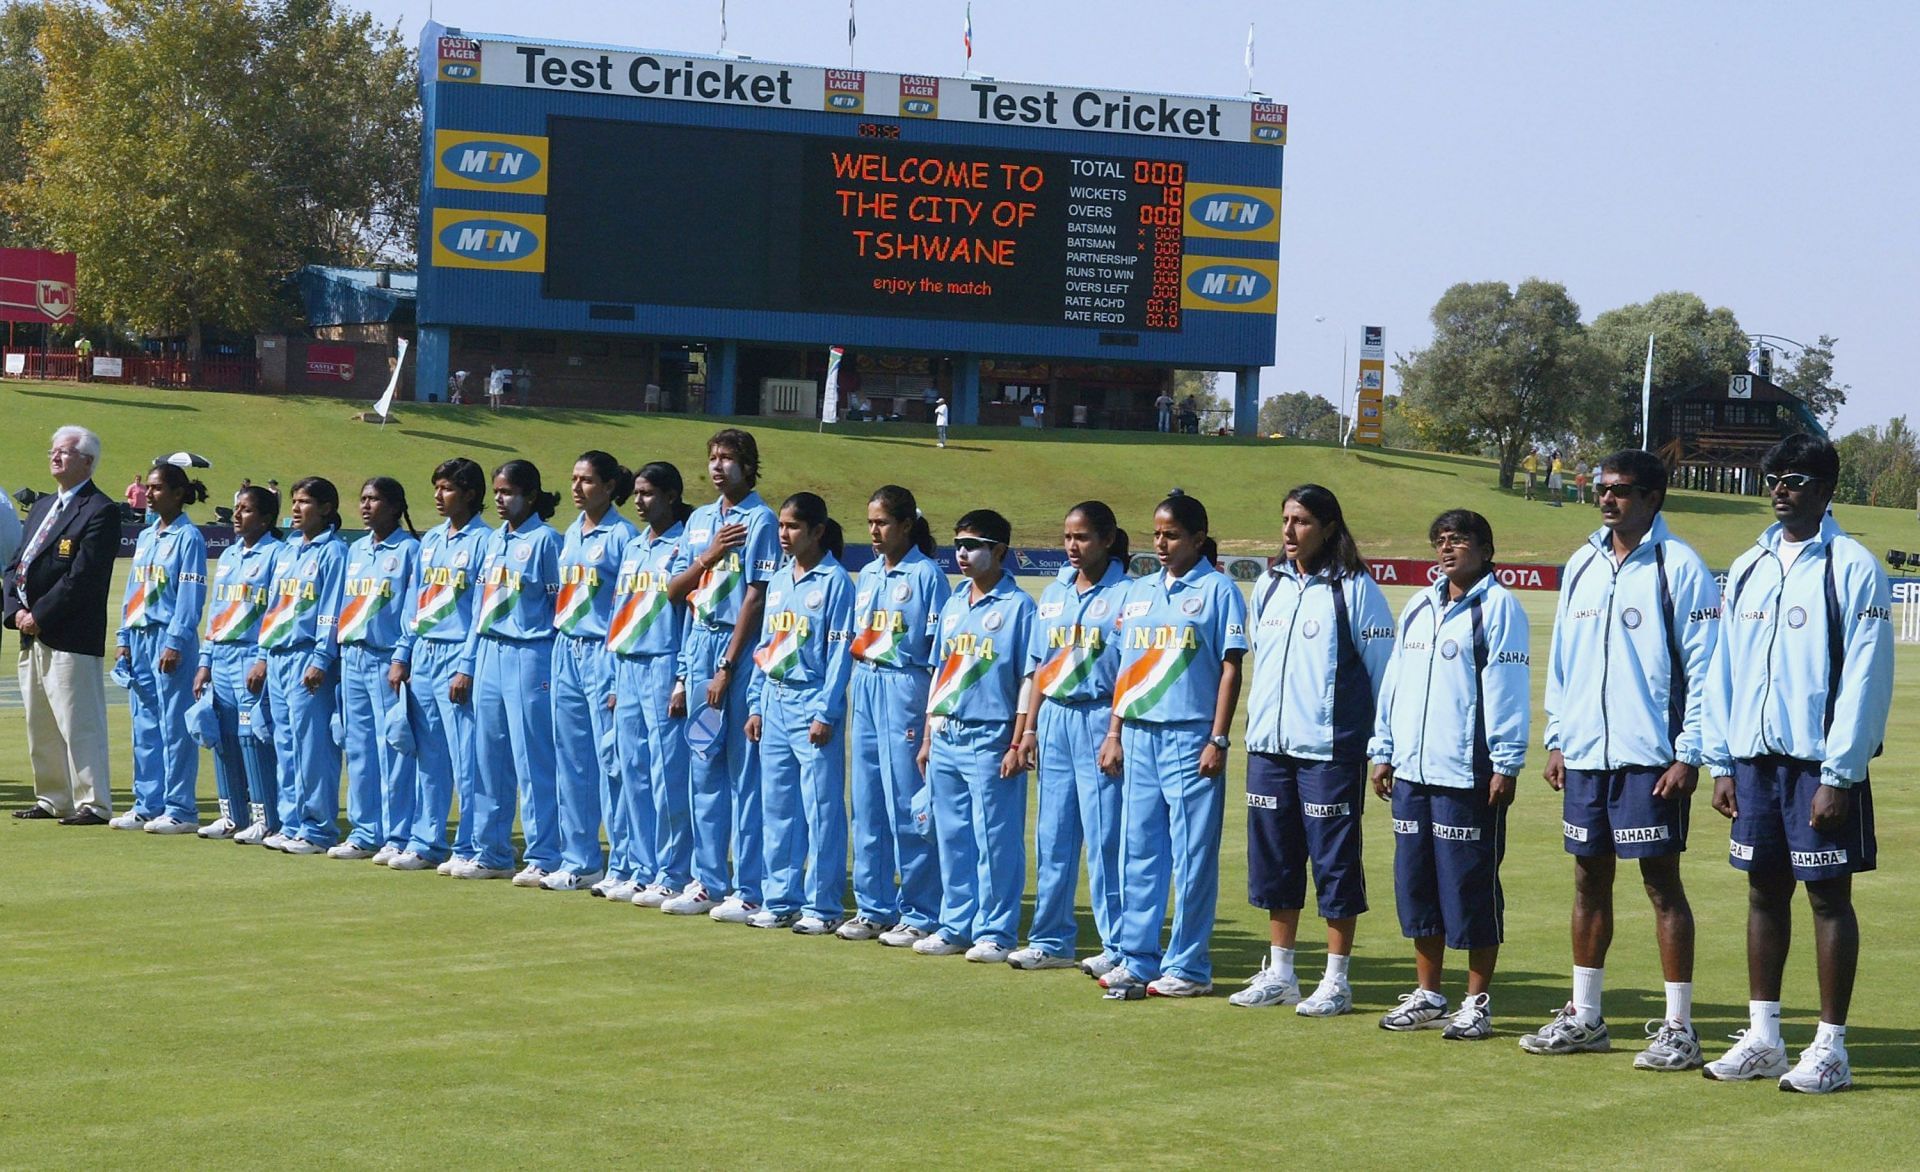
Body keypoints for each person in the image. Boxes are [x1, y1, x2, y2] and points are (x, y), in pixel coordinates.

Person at [1702, 435, 1893, 1094]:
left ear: (1823, 487)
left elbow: (1866, 677)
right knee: (1762, 891)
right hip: (1753, 761)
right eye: (1771, 477)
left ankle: (1832, 1048)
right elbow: (1721, 668)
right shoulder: (1748, 565)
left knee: (1828, 898)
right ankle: (1764, 1038)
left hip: (1819, 764)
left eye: (1793, 478)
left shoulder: (1853, 565)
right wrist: (1720, 758)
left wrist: (1840, 773)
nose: (1779, 488)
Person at [1522, 449, 1720, 1069]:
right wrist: (1558, 737)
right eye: (1602, 490)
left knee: (1661, 885)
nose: (1608, 499)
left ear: (1653, 498)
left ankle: (1679, 1028)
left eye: (1623, 491)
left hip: (1650, 760)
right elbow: (1563, 661)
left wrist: (1689, 754)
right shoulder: (1581, 563)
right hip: (1585, 756)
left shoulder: (1680, 567)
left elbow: (1707, 670)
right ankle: (1586, 1016)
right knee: (1587, 879)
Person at [1231, 485, 1395, 1015]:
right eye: (1285, 519)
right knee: (1274, 862)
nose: (1289, 530)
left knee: (1333, 864)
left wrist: (1381, 748)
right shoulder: (1270, 586)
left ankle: (1336, 981)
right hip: (1269, 751)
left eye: (1301, 521)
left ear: (1327, 527)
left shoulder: (1356, 588)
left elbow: (1384, 675)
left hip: (1330, 751)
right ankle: (1280, 973)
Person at [1368, 509, 1530, 1040]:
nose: (1446, 549)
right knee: (1417, 887)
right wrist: (1383, 749)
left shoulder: (1499, 608)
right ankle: (1429, 993)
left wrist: (1505, 762)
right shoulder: (1419, 603)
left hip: (1468, 773)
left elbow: (1506, 690)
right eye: (1440, 540)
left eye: (1458, 540)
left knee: (1470, 888)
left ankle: (1476, 1001)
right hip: (1413, 771)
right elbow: (1393, 682)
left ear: (1485, 549)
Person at [1096, 491, 1248, 999]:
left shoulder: (1219, 590)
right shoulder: (1137, 592)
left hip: (1190, 736)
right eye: (1157, 534)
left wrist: (1218, 737)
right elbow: (1125, 669)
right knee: (1138, 851)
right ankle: (1137, 957)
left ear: (1198, 538)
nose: (1161, 543)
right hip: (1137, 734)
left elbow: (1231, 668)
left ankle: (1188, 965)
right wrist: (1114, 731)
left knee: (1191, 854)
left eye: (1173, 534)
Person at [661, 429, 780, 921]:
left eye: (728, 458)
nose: (717, 466)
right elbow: (675, 591)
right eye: (712, 457)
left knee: (744, 774)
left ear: (749, 466)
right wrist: (708, 555)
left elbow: (756, 596)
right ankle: (708, 881)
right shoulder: (701, 521)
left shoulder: (762, 520)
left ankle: (749, 887)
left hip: (740, 648)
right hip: (699, 639)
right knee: (703, 766)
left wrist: (728, 667)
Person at [1011, 501, 1131, 973]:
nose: (1072, 547)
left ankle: (1118, 946)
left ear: (1106, 539)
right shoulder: (1055, 592)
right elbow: (1040, 666)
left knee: (1105, 839)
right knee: (1053, 836)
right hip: (1056, 719)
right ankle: (1051, 939)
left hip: (1099, 717)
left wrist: (1115, 732)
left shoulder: (1127, 593)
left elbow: (1128, 671)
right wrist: (1031, 729)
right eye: (1067, 537)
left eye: (1082, 537)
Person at [914, 509, 1036, 961]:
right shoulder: (952, 602)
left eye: (973, 545)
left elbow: (1030, 677)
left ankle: (996, 931)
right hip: (947, 732)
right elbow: (939, 671)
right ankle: (955, 924)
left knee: (995, 838)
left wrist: (1019, 739)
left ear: (999, 551)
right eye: (958, 544)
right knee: (952, 836)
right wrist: (928, 734)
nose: (962, 554)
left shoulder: (1019, 607)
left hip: (991, 734)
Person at [744, 493, 856, 933]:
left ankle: (822, 906)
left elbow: (839, 653)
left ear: (817, 531)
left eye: (793, 527)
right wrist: (755, 702)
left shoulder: (835, 582)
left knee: (821, 806)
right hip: (774, 699)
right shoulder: (779, 581)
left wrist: (826, 712)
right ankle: (780, 898)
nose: (784, 535)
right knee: (778, 807)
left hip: (811, 701)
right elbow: (766, 647)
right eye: (782, 527)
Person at [845, 485, 949, 945]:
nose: (874, 531)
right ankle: (873, 907)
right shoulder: (866, 574)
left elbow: (938, 654)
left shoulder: (926, 576)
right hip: (865, 682)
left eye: (883, 522)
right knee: (866, 804)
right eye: (870, 522)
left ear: (906, 525)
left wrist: (928, 716)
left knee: (908, 803)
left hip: (906, 684)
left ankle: (922, 910)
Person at [452, 460, 564, 884]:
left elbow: (558, 608)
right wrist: (468, 663)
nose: (500, 499)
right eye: (496, 492)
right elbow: (480, 609)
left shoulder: (546, 541)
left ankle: (544, 853)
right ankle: (492, 851)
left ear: (530, 496)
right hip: (489, 651)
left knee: (531, 757)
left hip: (530, 651)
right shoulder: (493, 541)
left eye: (508, 492)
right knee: (488, 756)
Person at [6, 425, 121, 824]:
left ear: (87, 461)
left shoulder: (100, 510)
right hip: (30, 632)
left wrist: (40, 615)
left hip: (70, 633)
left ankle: (92, 802)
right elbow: (15, 565)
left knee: (79, 722)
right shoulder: (40, 507)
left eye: (66, 452)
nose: (55, 456)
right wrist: (13, 612)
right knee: (40, 722)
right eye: (53, 450)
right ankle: (53, 797)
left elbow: (83, 577)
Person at [386, 458, 492, 872]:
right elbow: (416, 602)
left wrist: (466, 664)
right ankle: (427, 840)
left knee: (466, 756)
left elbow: (482, 610)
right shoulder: (430, 539)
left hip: (457, 654)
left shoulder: (485, 541)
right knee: (427, 755)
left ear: (469, 493)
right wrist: (402, 653)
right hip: (425, 653)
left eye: (447, 488)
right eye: (436, 487)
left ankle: (469, 845)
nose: (438, 496)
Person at [548, 452, 639, 892]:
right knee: (571, 758)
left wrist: (617, 667)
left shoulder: (623, 536)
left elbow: (627, 608)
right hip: (565, 647)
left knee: (610, 759)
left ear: (608, 486)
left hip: (602, 652)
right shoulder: (570, 532)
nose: (577, 487)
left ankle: (621, 862)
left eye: (586, 480)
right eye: (573, 478)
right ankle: (580, 859)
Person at [608, 462, 694, 906]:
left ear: (672, 496)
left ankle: (673, 869)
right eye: (637, 493)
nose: (639, 501)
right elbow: (621, 610)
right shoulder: (635, 546)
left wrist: (681, 676)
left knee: (666, 773)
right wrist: (613, 674)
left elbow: (688, 618)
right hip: (629, 664)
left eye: (647, 494)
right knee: (634, 771)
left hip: (663, 662)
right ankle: (642, 868)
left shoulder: (685, 546)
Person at [110, 462, 209, 834]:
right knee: (144, 725)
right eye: (148, 488)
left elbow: (190, 595)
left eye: (156, 489)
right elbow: (134, 590)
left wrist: (177, 641)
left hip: (169, 640)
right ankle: (146, 803)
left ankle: (180, 808)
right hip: (139, 637)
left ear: (178, 493)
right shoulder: (148, 535)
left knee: (174, 725)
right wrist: (123, 638)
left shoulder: (190, 537)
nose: (148, 495)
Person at [251, 477, 348, 853]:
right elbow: (273, 607)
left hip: (307, 656)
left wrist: (322, 657)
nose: (295, 508)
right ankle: (292, 822)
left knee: (313, 748)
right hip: (278, 655)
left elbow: (331, 609)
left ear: (325, 508)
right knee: (286, 742)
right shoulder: (288, 550)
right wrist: (262, 654)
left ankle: (319, 828)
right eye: (293, 501)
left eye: (305, 501)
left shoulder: (334, 551)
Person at [328, 478, 421, 862]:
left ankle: (398, 833)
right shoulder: (356, 550)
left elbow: (413, 610)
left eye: (375, 499)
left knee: (393, 747)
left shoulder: (410, 550)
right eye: (362, 498)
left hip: (386, 659)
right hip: (353, 656)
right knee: (359, 747)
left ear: (396, 505)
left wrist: (402, 655)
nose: (366, 506)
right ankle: (365, 830)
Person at [194, 484, 281, 842]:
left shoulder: (277, 555)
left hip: (250, 654)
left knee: (251, 737)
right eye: (236, 509)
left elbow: (276, 612)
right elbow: (217, 612)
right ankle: (232, 815)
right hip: (223, 655)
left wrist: (262, 658)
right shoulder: (229, 555)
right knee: (220, 735)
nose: (237, 516)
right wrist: (205, 661)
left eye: (246, 510)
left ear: (264, 517)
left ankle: (265, 817)